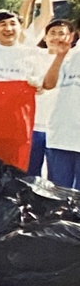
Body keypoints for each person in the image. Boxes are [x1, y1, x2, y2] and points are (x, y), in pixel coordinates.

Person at [42, 30, 79, 188]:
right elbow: (48, 84)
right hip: (61, 137)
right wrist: (60, 56)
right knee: (58, 198)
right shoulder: (71, 53)